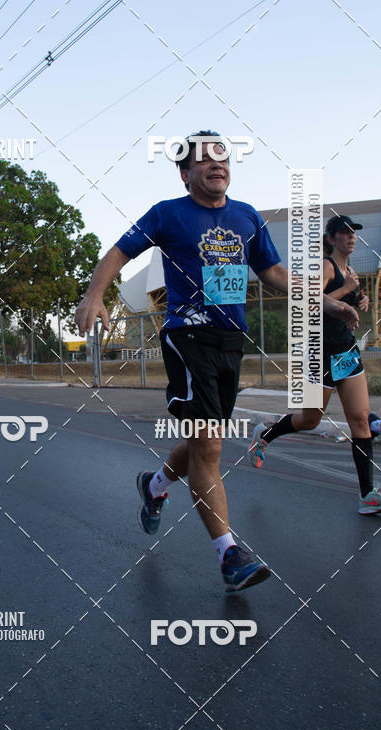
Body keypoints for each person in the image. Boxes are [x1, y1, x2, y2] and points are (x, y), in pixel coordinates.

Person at [75, 132, 359, 592]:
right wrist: (95, 293)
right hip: (187, 336)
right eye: (202, 160)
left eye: (221, 157)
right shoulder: (168, 213)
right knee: (209, 444)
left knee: (204, 437)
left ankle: (154, 485)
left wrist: (328, 304)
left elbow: (273, 273)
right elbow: (120, 251)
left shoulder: (246, 216)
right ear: (185, 174)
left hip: (230, 340)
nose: (215, 165)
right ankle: (229, 553)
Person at [249, 215, 381, 514]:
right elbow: (310, 301)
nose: (351, 237)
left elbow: (342, 303)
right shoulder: (326, 266)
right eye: (344, 233)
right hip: (320, 355)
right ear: (331, 239)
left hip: (346, 352)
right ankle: (265, 434)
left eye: (353, 233)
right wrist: (345, 292)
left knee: (360, 419)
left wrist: (360, 298)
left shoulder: (349, 269)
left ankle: (367, 495)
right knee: (310, 420)